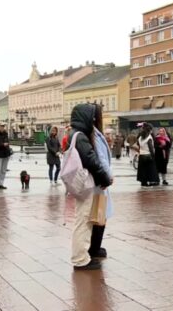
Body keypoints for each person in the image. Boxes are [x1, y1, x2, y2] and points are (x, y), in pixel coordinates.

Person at [68, 103, 112, 270]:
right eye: (91, 115)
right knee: (83, 221)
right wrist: (105, 178)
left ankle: (82, 255)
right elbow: (92, 161)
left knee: (84, 219)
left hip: (81, 183)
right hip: (85, 184)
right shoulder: (80, 136)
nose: (94, 118)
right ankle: (80, 259)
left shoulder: (76, 134)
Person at [89, 104, 114, 261]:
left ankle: (95, 246)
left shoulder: (93, 133)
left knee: (99, 212)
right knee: (100, 213)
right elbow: (101, 158)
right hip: (100, 180)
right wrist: (108, 176)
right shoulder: (94, 135)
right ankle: (95, 248)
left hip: (97, 179)